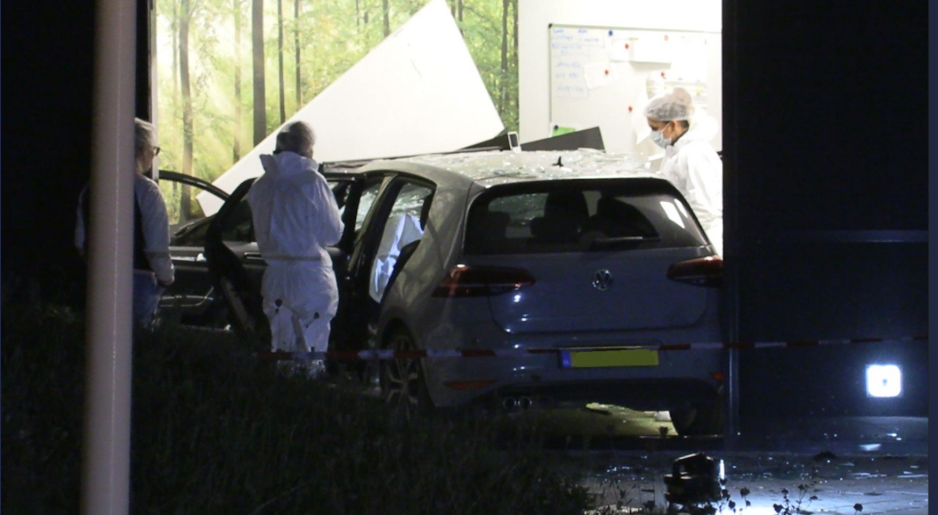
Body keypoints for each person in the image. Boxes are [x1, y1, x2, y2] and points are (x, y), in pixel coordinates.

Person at [248, 121, 344, 377]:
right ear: (309, 149)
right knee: (312, 351)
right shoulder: (312, 181)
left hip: (275, 280)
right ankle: (310, 405)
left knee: (282, 352)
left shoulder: (260, 186)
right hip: (311, 278)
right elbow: (333, 234)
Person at [74, 117, 175, 327]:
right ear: (141, 149)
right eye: (153, 150)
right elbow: (156, 248)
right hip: (140, 284)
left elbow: (81, 243)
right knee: (139, 345)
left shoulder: (91, 189)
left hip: (99, 282)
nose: (153, 156)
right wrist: (167, 277)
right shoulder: (147, 190)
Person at [644, 87, 723, 255]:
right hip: (692, 237)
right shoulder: (677, 150)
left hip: (705, 240)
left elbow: (705, 211)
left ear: (672, 124)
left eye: (654, 128)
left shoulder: (694, 154)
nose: (653, 135)